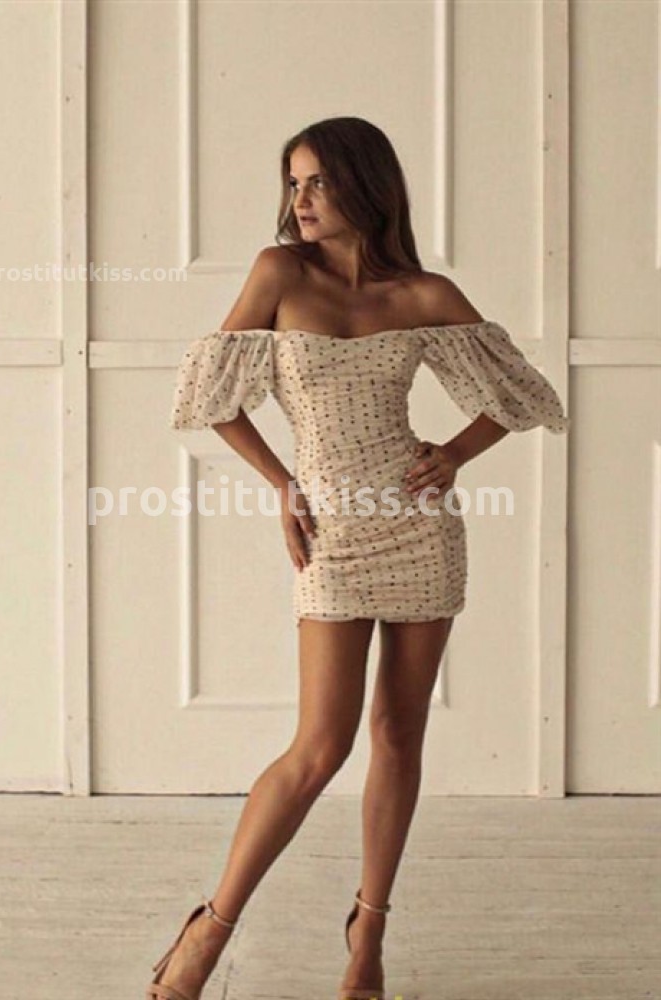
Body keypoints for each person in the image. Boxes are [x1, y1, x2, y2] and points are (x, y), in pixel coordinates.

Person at [148, 116, 570, 1000]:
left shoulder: (422, 292)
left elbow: (520, 394)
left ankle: (367, 935)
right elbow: (211, 397)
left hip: (420, 530)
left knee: (398, 733)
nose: (299, 200)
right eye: (292, 182)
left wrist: (453, 455)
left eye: (317, 182)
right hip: (332, 533)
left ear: (365, 185)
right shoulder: (279, 273)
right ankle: (209, 929)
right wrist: (281, 484)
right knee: (318, 748)